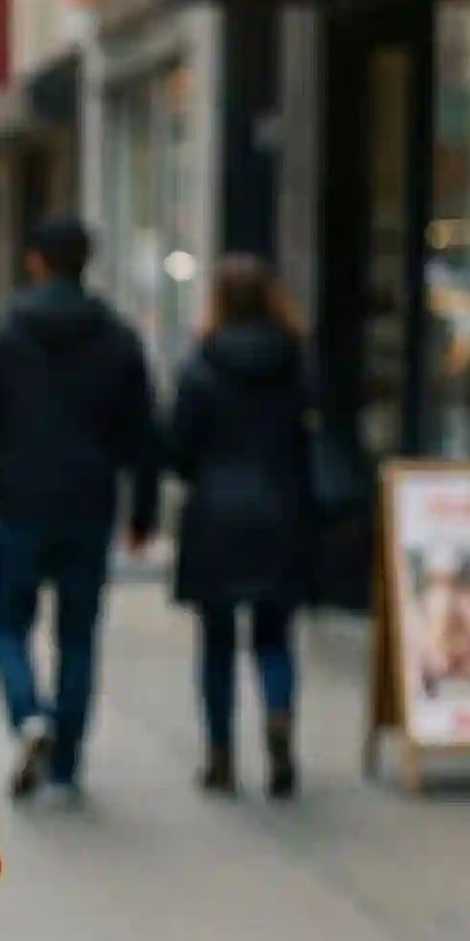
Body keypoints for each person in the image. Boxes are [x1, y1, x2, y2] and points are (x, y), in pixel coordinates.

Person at [0, 216, 160, 801]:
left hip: (19, 500)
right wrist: (144, 514)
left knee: (7, 625)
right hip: (90, 505)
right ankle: (66, 765)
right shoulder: (117, 337)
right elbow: (142, 433)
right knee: (78, 636)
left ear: (36, 261)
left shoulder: (4, 334)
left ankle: (28, 715)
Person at [169, 254, 318, 798]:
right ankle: (278, 720)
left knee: (217, 641)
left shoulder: (202, 365)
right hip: (280, 508)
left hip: (216, 514)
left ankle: (221, 754)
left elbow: (179, 447)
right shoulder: (293, 362)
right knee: (275, 636)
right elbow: (307, 438)